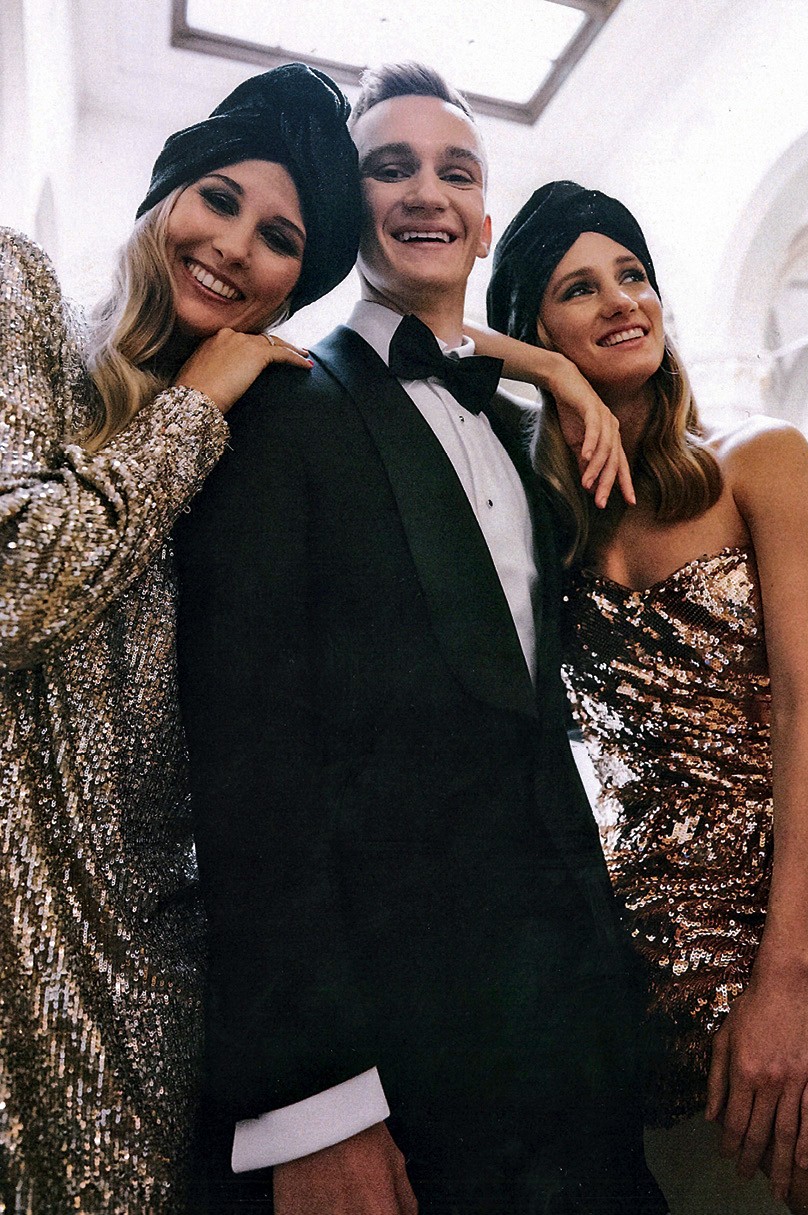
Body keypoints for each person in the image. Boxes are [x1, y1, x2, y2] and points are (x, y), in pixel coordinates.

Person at [175, 64, 668, 1215]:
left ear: (485, 222)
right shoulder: (277, 409)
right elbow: (249, 770)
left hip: (575, 1045)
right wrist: (316, 1105)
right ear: (350, 210)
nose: (425, 192)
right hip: (399, 1067)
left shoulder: (531, 435)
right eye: (389, 167)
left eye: (456, 171)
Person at [485, 180, 808, 1215]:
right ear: (533, 328)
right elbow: (419, 349)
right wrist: (542, 376)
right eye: (579, 287)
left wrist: (785, 979)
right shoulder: (533, 523)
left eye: (634, 275)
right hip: (668, 903)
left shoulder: (757, 459)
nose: (623, 300)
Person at [0, 63, 360, 1214]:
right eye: (219, 197)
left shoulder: (253, 456)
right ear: (165, 196)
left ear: (294, 286)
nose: (235, 246)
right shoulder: (22, 299)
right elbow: (15, 581)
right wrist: (192, 409)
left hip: (148, 1011)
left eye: (280, 238)